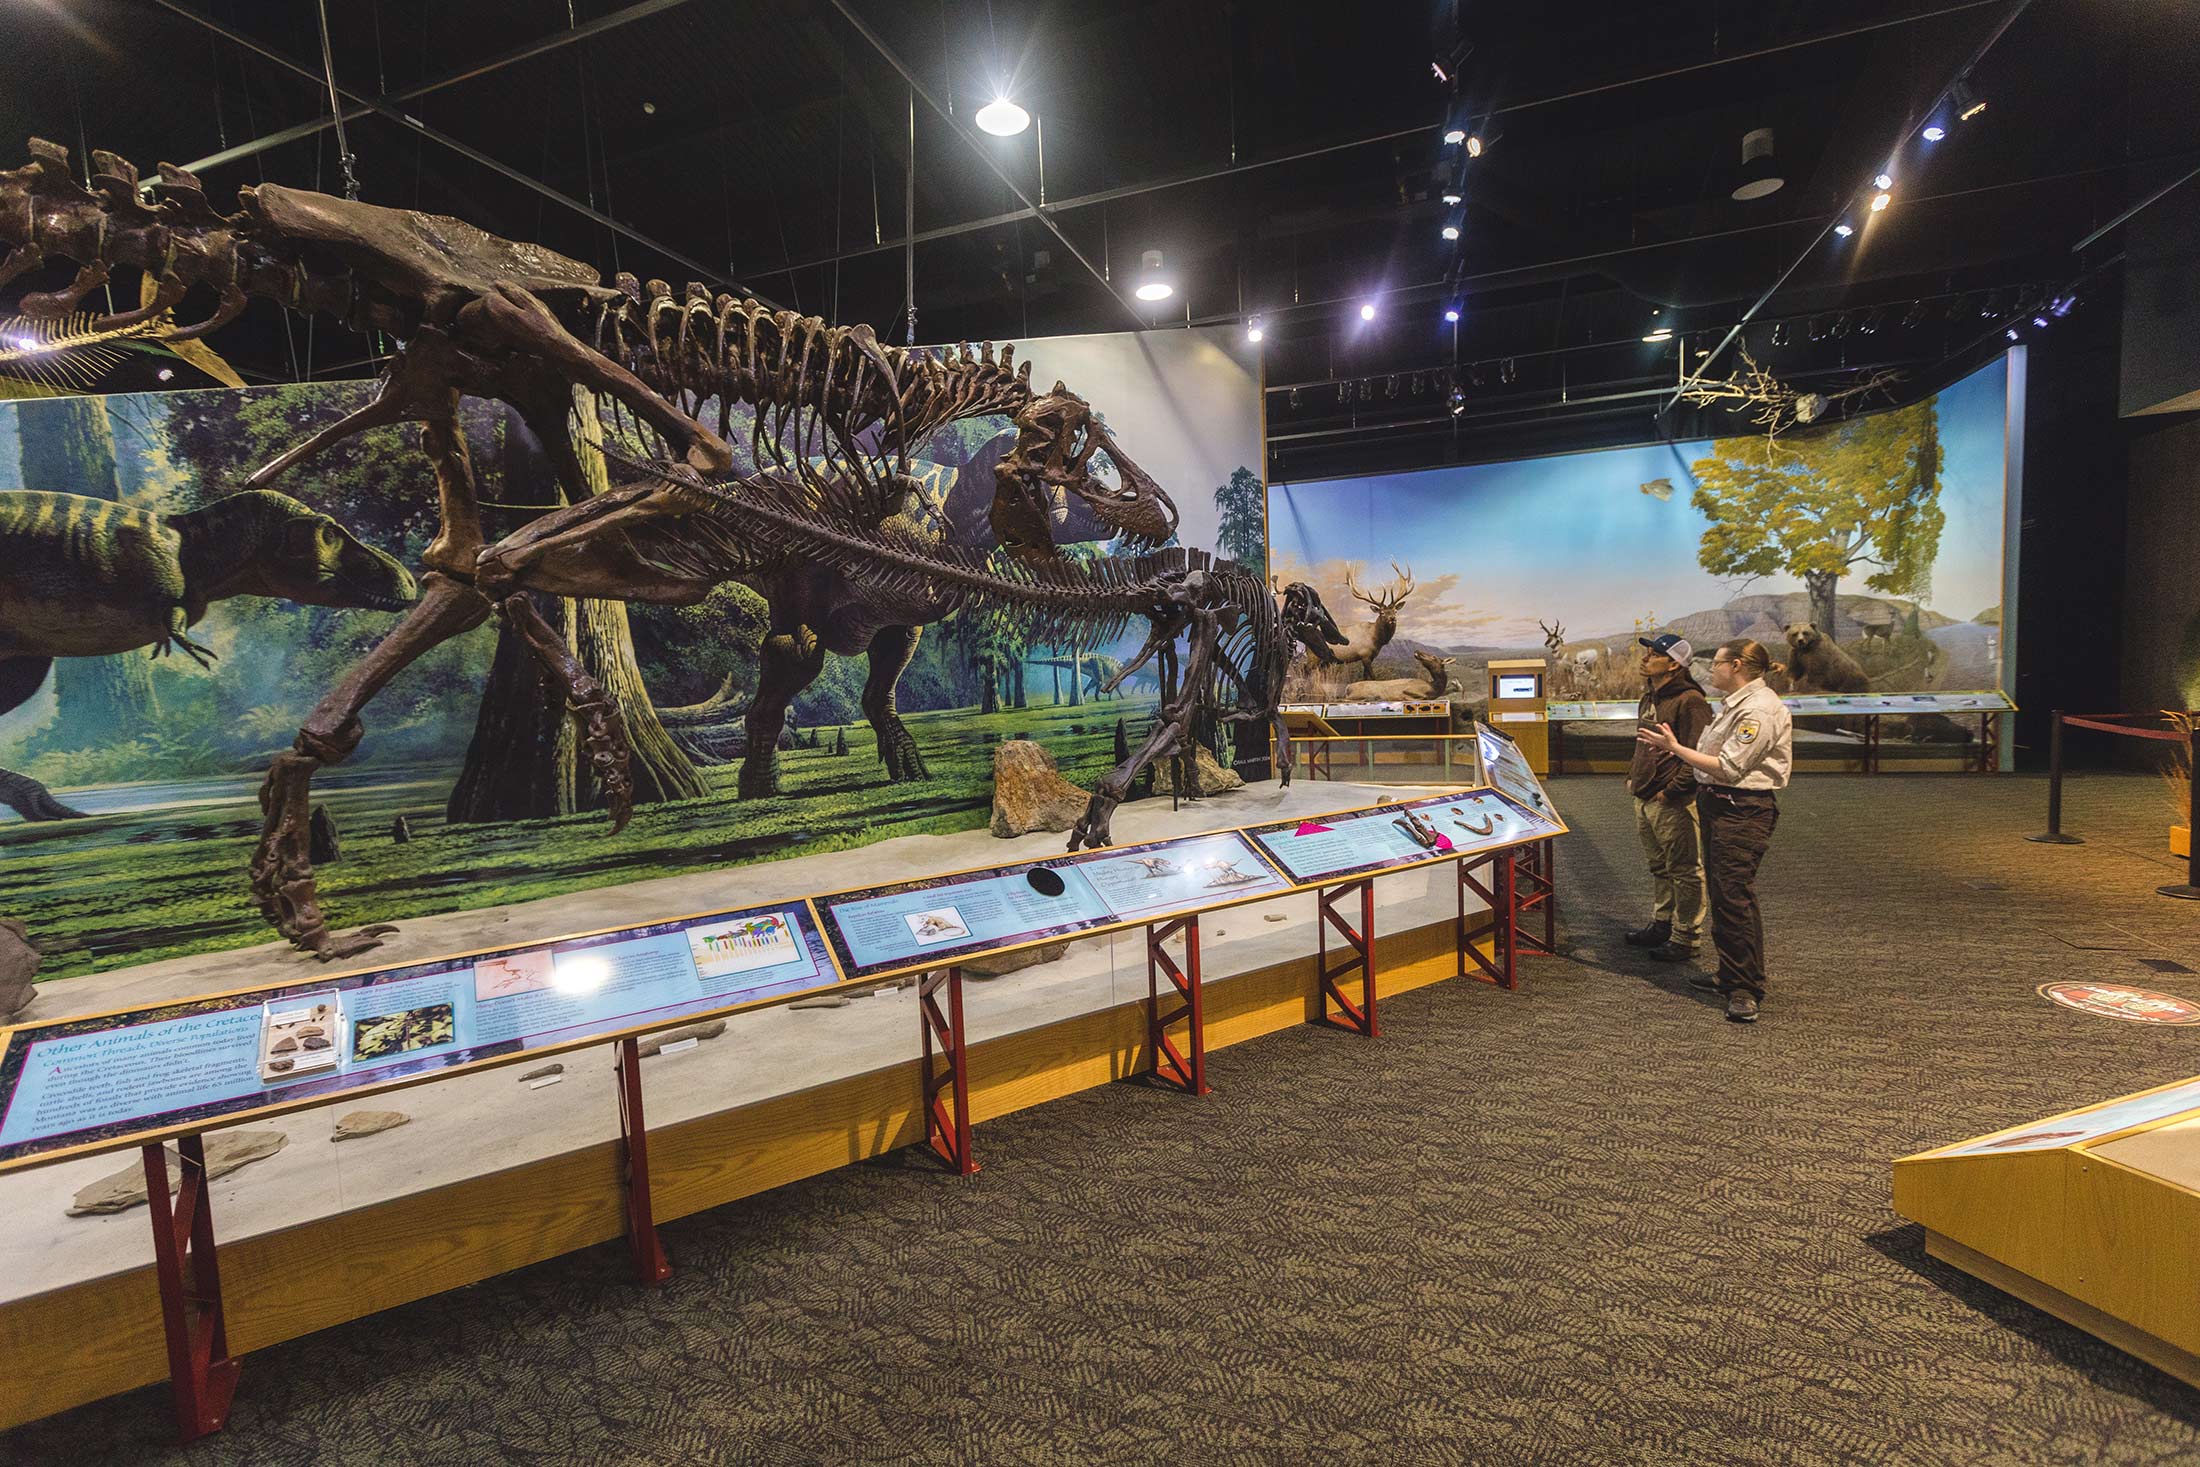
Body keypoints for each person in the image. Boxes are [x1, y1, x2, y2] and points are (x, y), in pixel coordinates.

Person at [1634, 638, 1793, 1024]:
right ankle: (1730, 973)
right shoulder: (1735, 705)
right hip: (1721, 803)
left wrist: (1674, 748)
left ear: (1736, 665)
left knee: (1734, 898)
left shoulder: (1758, 710)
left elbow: (1729, 766)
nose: (1712, 669)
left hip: (1741, 808)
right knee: (1724, 894)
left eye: (1718, 663)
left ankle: (1745, 987)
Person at [1623, 633, 1711, 964]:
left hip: (1671, 800)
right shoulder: (1650, 697)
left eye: (1654, 654)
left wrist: (1671, 790)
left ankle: (1687, 936)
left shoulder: (1690, 701)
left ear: (1674, 664)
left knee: (1685, 869)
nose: (1645, 658)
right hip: (1645, 796)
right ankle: (1662, 924)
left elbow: (1698, 753)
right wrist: (1632, 774)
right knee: (1660, 866)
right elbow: (1642, 743)